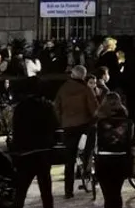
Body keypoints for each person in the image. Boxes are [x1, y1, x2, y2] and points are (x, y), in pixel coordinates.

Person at [8, 77, 59, 208]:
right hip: (43, 151)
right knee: (46, 189)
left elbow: (16, 129)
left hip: (25, 152)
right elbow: (55, 125)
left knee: (21, 190)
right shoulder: (46, 106)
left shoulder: (20, 108)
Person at [54, 64, 98, 199]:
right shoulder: (86, 89)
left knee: (69, 159)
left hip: (68, 126)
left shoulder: (63, 88)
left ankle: (68, 191)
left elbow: (56, 107)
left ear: (72, 74)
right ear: (84, 76)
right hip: (84, 125)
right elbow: (94, 108)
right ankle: (87, 170)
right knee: (89, 149)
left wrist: (62, 121)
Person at [93, 92, 135, 208]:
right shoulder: (128, 122)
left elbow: (93, 143)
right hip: (121, 159)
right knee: (117, 192)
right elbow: (130, 142)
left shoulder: (99, 122)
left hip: (103, 159)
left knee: (108, 194)